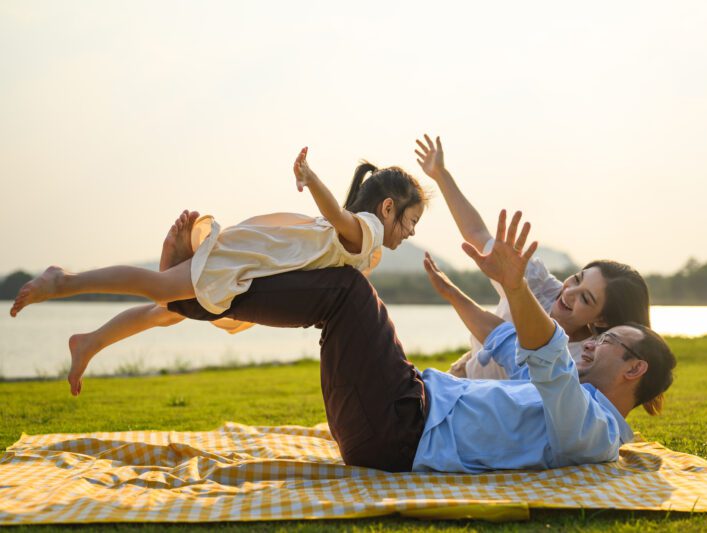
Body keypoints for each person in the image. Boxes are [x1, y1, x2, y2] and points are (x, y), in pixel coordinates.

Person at [166, 209, 676, 473]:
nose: (591, 345)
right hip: (401, 409)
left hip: (400, 428)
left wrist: (517, 287)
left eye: (609, 343)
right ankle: (196, 291)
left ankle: (193, 293)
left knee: (348, 291)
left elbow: (550, 367)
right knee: (344, 289)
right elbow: (507, 343)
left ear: (634, 370)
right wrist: (453, 290)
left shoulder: (591, 431)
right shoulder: (573, 402)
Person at [10, 148, 427, 395]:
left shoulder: (367, 246)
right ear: (387, 208)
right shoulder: (370, 229)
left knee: (165, 310)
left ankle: (89, 343)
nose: (410, 232)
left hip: (250, 262)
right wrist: (310, 177)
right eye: (410, 221)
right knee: (159, 289)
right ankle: (62, 280)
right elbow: (335, 212)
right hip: (242, 261)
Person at [414, 134, 651, 381]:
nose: (570, 292)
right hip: (462, 377)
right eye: (577, 279)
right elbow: (476, 233)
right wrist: (440, 174)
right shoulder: (539, 285)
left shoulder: (587, 357)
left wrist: (452, 293)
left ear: (601, 318)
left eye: (586, 298)